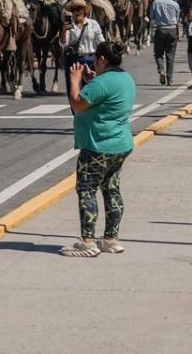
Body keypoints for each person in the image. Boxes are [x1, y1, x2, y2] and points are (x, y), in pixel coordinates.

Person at [61, 40, 136, 257]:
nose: (93, 62)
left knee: (86, 190)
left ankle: (88, 241)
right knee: (111, 189)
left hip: (98, 144)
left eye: (95, 59)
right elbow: (106, 94)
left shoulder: (101, 83)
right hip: (120, 143)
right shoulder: (125, 78)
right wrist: (92, 81)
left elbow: (77, 103)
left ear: (102, 59)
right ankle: (111, 239)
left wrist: (75, 80)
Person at [147, 0, 181, 86]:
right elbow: (177, 19)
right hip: (172, 29)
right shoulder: (175, 4)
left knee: (158, 53)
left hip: (160, 29)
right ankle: (170, 78)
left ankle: (161, 70)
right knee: (170, 55)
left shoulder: (156, 2)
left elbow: (151, 16)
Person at [61, 0, 105, 69]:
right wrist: (63, 31)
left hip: (91, 60)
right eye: (73, 10)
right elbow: (63, 44)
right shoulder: (69, 26)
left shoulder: (93, 24)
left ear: (84, 10)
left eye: (78, 9)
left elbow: (101, 42)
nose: (75, 12)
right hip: (74, 61)